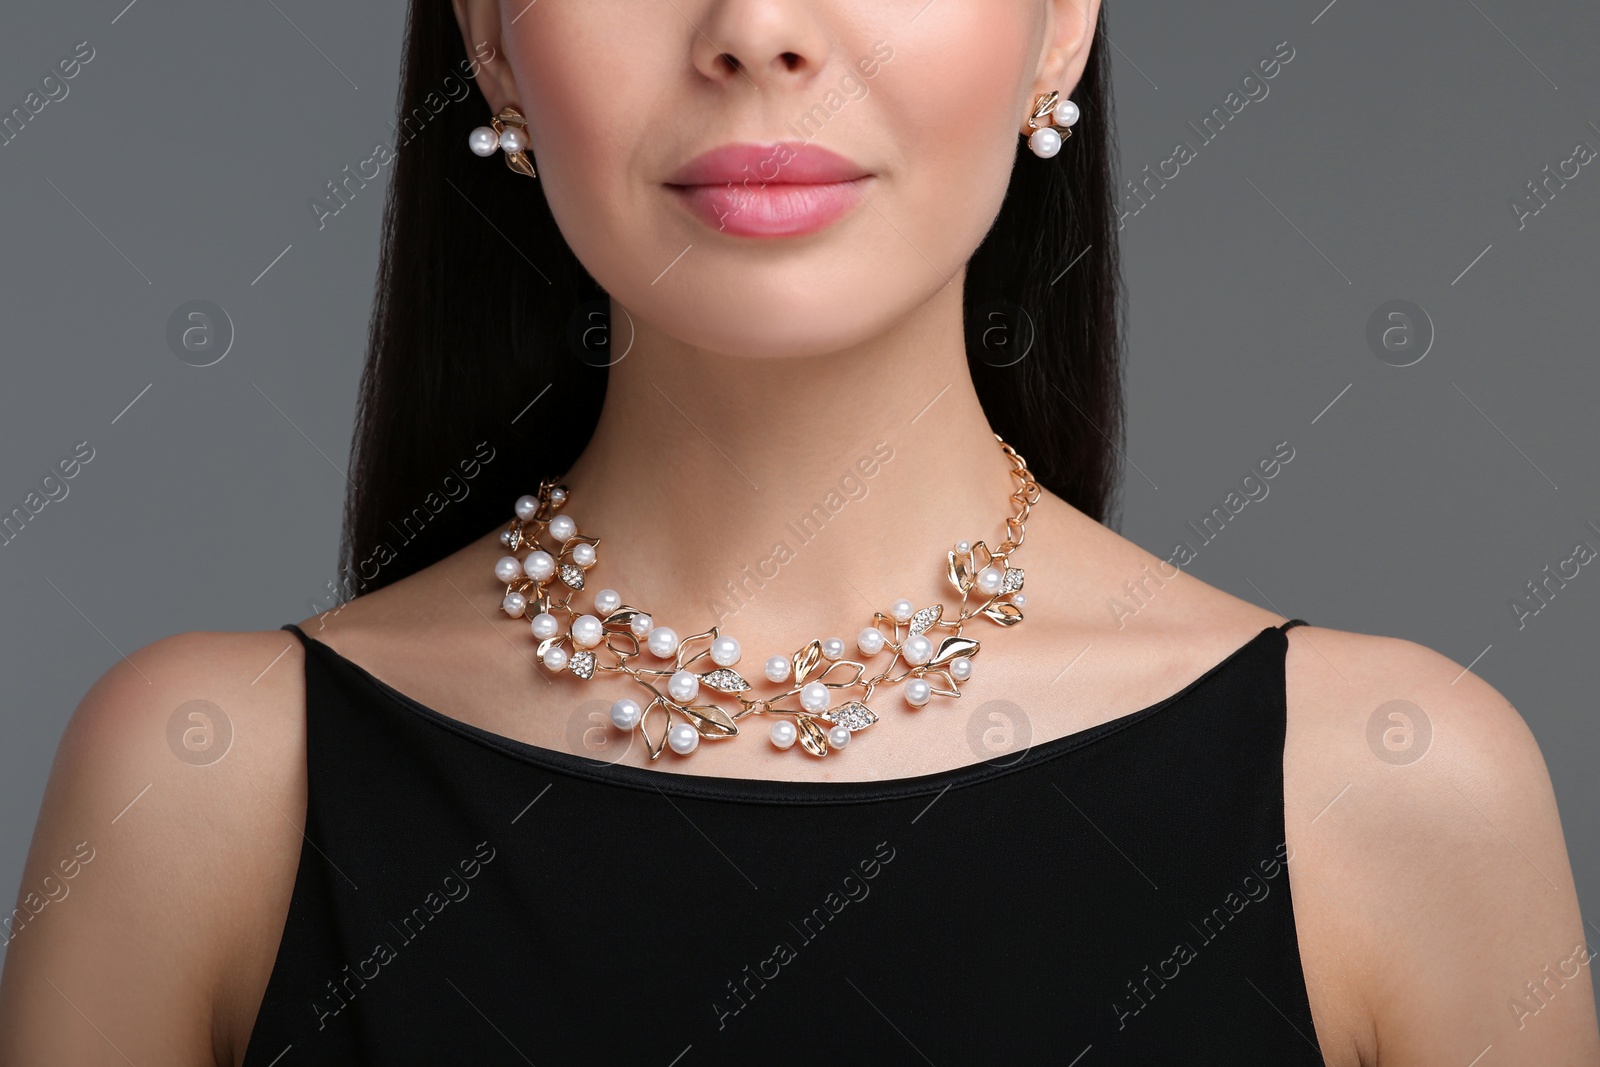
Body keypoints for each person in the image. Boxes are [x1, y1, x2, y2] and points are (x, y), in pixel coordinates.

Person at [2, 0, 1595, 1063]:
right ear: (492, 39)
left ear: (1061, 24)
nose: (756, 29)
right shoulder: (201, 786)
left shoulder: (1390, 794)